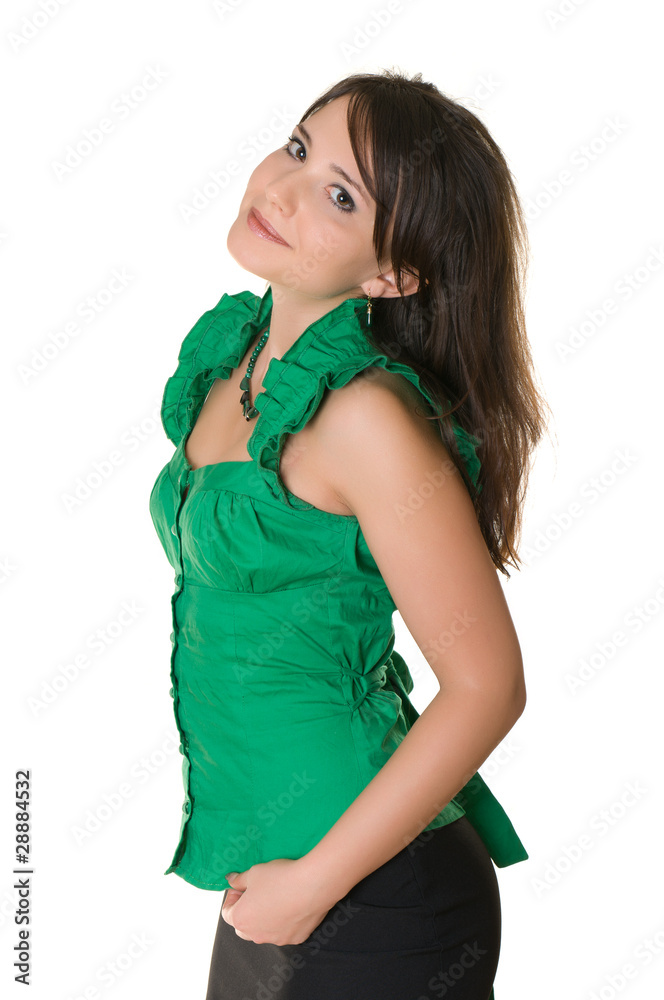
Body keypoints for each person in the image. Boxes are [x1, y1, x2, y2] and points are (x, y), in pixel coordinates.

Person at [149, 68, 549, 1000]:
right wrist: (288, 890)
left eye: (339, 196)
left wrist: (313, 886)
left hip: (374, 898)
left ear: (392, 275)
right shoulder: (232, 364)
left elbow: (489, 686)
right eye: (298, 148)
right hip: (271, 880)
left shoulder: (367, 419)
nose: (282, 191)